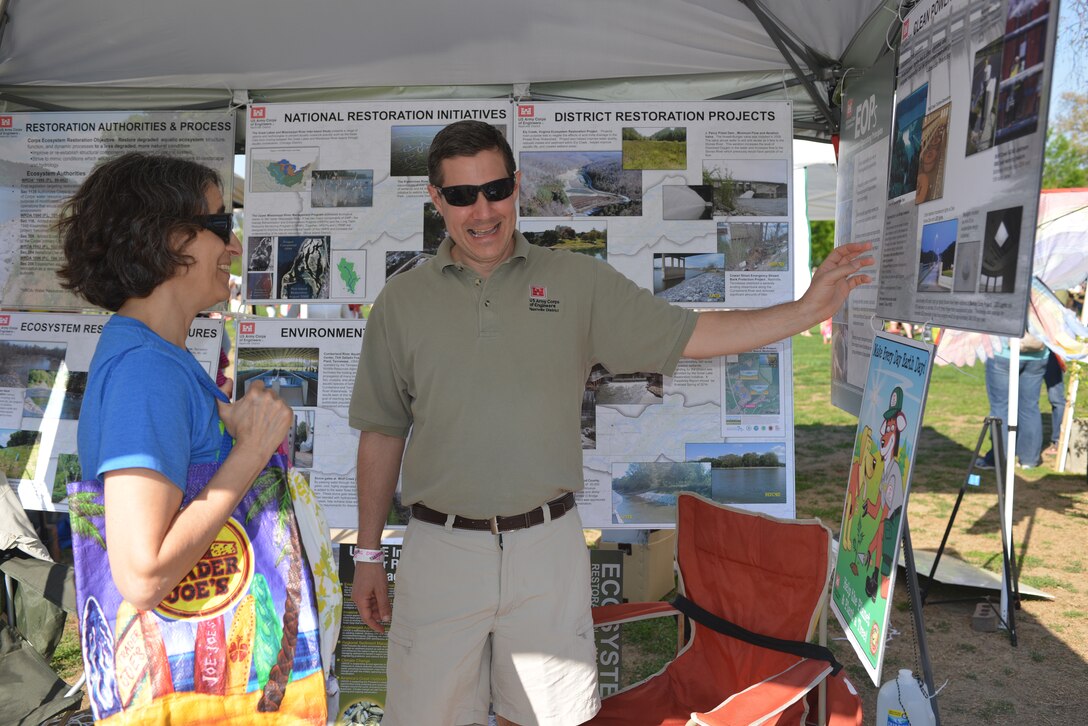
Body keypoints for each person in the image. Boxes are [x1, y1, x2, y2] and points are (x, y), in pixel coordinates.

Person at [348, 120, 873, 726]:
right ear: (437, 201)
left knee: (553, 719)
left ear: (517, 185)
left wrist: (805, 310)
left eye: (495, 189)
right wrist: (366, 555)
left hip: (545, 548)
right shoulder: (401, 302)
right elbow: (382, 431)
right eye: (462, 195)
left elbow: (693, 334)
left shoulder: (578, 282)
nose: (483, 211)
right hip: (439, 551)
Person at [57, 153, 293, 685]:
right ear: (169, 239)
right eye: (220, 224)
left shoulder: (158, 356)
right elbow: (143, 574)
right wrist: (250, 452)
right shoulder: (148, 370)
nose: (233, 246)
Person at [976, 334, 1048, 470]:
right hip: (1038, 354)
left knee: (1000, 407)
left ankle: (998, 459)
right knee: (1030, 407)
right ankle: (1029, 459)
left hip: (1003, 353)